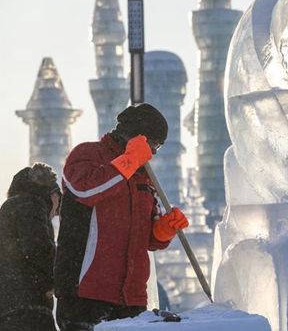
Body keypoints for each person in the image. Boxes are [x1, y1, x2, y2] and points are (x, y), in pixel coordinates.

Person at [54, 103, 189, 331]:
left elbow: (148, 238)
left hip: (132, 298)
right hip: (85, 292)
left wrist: (163, 229)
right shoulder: (87, 154)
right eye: (153, 146)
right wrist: (129, 161)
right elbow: (86, 190)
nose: (153, 154)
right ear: (137, 137)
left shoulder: (143, 175)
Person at [0, 163, 62, 331]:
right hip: (28, 304)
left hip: (11, 303)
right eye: (59, 199)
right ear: (51, 192)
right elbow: (37, 247)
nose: (57, 212)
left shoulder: (13, 206)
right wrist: (57, 279)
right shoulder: (30, 204)